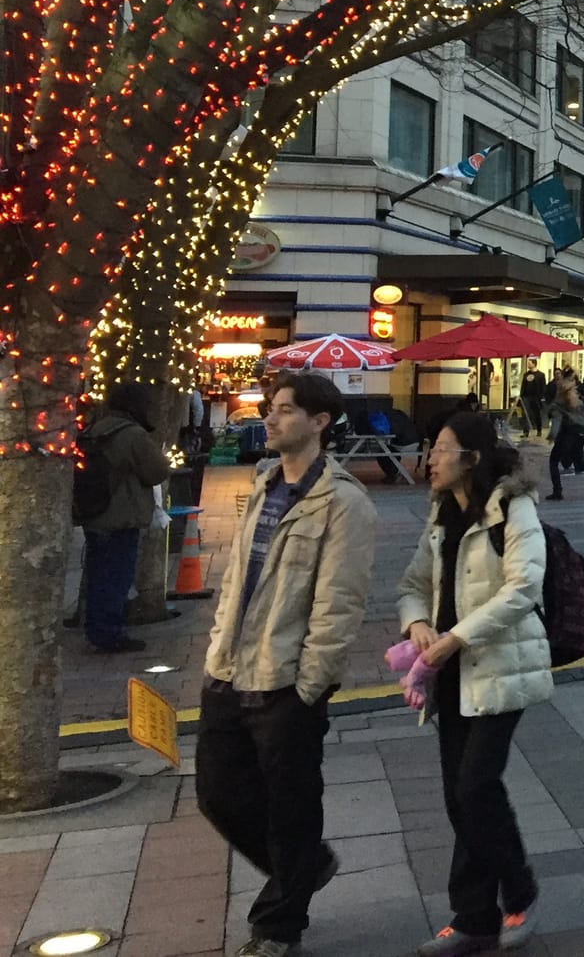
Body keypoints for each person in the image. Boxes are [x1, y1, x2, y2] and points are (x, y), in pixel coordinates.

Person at [196, 372, 377, 957]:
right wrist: (216, 651)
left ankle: (279, 924)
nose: (269, 420)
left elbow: (338, 604)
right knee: (217, 794)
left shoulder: (343, 502)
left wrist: (310, 684)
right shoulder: (265, 484)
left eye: (283, 411)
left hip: (287, 681)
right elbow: (237, 583)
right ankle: (305, 867)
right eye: (269, 409)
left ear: (319, 422)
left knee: (291, 806)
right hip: (229, 670)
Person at [397, 413, 551, 955]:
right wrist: (417, 623)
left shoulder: (513, 507)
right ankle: (473, 918)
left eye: (441, 448)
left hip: (500, 666)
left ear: (473, 459)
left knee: (476, 786)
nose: (431, 458)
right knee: (457, 797)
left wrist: (455, 637)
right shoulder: (442, 513)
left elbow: (525, 586)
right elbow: (414, 582)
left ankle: (521, 890)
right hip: (451, 676)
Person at [77, 381, 172, 654]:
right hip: (121, 517)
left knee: (99, 574)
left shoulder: (95, 429)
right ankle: (109, 634)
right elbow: (156, 471)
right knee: (116, 577)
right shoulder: (132, 434)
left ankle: (98, 629)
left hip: (94, 513)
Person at [545, 371, 584, 501]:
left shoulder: (558, 405)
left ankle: (557, 491)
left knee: (553, 461)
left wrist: (552, 436)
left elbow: (556, 423)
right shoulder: (578, 402)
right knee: (579, 461)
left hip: (566, 434)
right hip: (580, 433)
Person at [519, 363, 547, 438]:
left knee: (536, 413)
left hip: (536, 397)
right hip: (526, 397)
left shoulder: (540, 375)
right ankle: (525, 431)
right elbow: (523, 385)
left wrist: (542, 397)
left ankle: (539, 429)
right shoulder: (526, 374)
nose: (528, 364)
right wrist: (521, 395)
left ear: (534, 364)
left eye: (530, 363)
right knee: (526, 414)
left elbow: (543, 386)